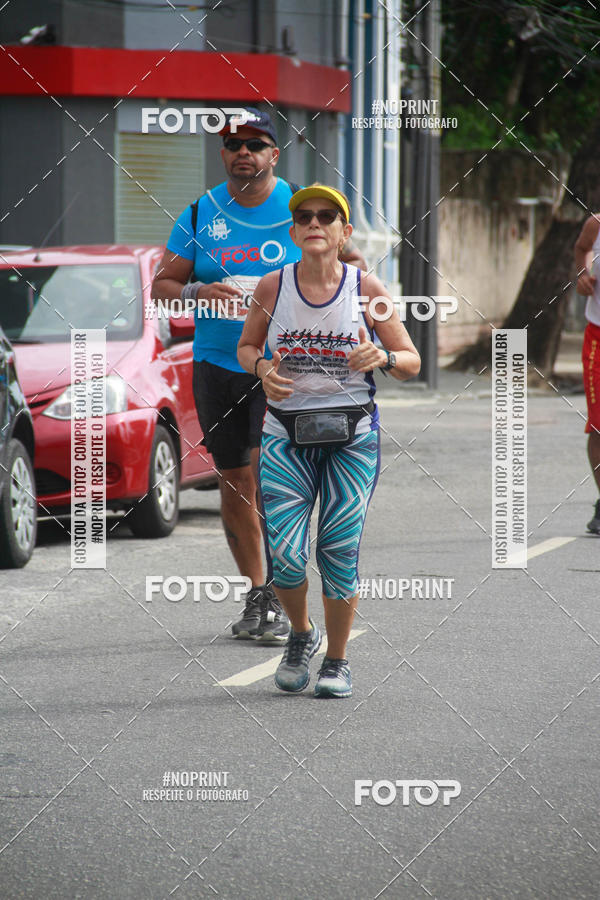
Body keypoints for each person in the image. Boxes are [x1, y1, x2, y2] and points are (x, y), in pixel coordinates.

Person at [151, 108, 366, 642]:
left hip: (286, 369)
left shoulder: (303, 208)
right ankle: (258, 592)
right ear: (223, 155)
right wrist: (200, 292)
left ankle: (283, 588)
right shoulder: (201, 213)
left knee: (270, 481)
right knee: (234, 480)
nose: (242, 152)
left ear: (274, 153)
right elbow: (162, 285)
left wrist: (362, 336)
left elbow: (356, 273)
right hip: (218, 362)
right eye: (232, 145)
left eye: (255, 144)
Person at [237, 184, 420, 697]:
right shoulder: (272, 287)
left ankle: (337, 661)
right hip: (285, 434)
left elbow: (410, 360)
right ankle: (301, 635)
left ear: (343, 233)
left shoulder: (368, 292)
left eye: (327, 216)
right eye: (305, 217)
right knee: (287, 554)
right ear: (294, 232)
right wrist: (261, 366)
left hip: (351, 437)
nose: (315, 222)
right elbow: (247, 344)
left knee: (337, 549)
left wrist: (382, 359)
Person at [574, 214, 600, 534]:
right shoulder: (596, 223)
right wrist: (583, 274)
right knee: (598, 425)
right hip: (598, 338)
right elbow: (581, 249)